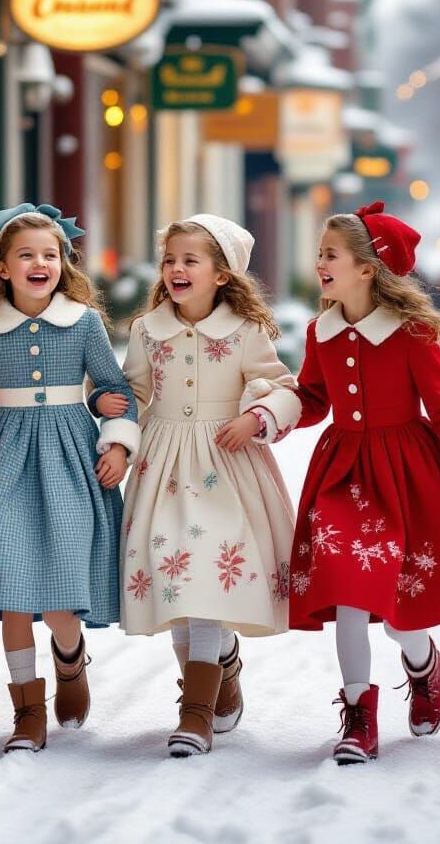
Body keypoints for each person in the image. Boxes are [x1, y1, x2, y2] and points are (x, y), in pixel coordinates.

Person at [284, 201, 440, 765]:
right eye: (320, 254)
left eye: (331, 254)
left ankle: (424, 664)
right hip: (343, 476)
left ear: (367, 268)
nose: (319, 263)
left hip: (405, 475)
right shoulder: (318, 332)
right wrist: (275, 414)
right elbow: (313, 398)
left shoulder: (411, 332)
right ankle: (358, 718)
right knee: (349, 596)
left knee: (400, 612)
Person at [95, 215, 298, 758]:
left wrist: (256, 417)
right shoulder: (146, 330)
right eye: (170, 260)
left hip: (224, 466)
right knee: (176, 585)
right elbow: (135, 391)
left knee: (206, 580)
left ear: (223, 275)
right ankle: (221, 665)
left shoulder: (245, 330)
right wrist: (116, 438)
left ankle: (196, 712)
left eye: (191, 260)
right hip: (161, 467)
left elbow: (282, 387)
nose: (177, 269)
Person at [0, 204, 139, 753]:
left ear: (63, 262)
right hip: (6, 461)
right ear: (2, 268)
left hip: (70, 456)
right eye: (25, 254)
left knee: (58, 601)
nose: (39, 263)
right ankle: (27, 711)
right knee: (12, 595)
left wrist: (117, 439)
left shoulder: (84, 321)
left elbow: (111, 386)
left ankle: (70, 662)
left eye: (49, 255)